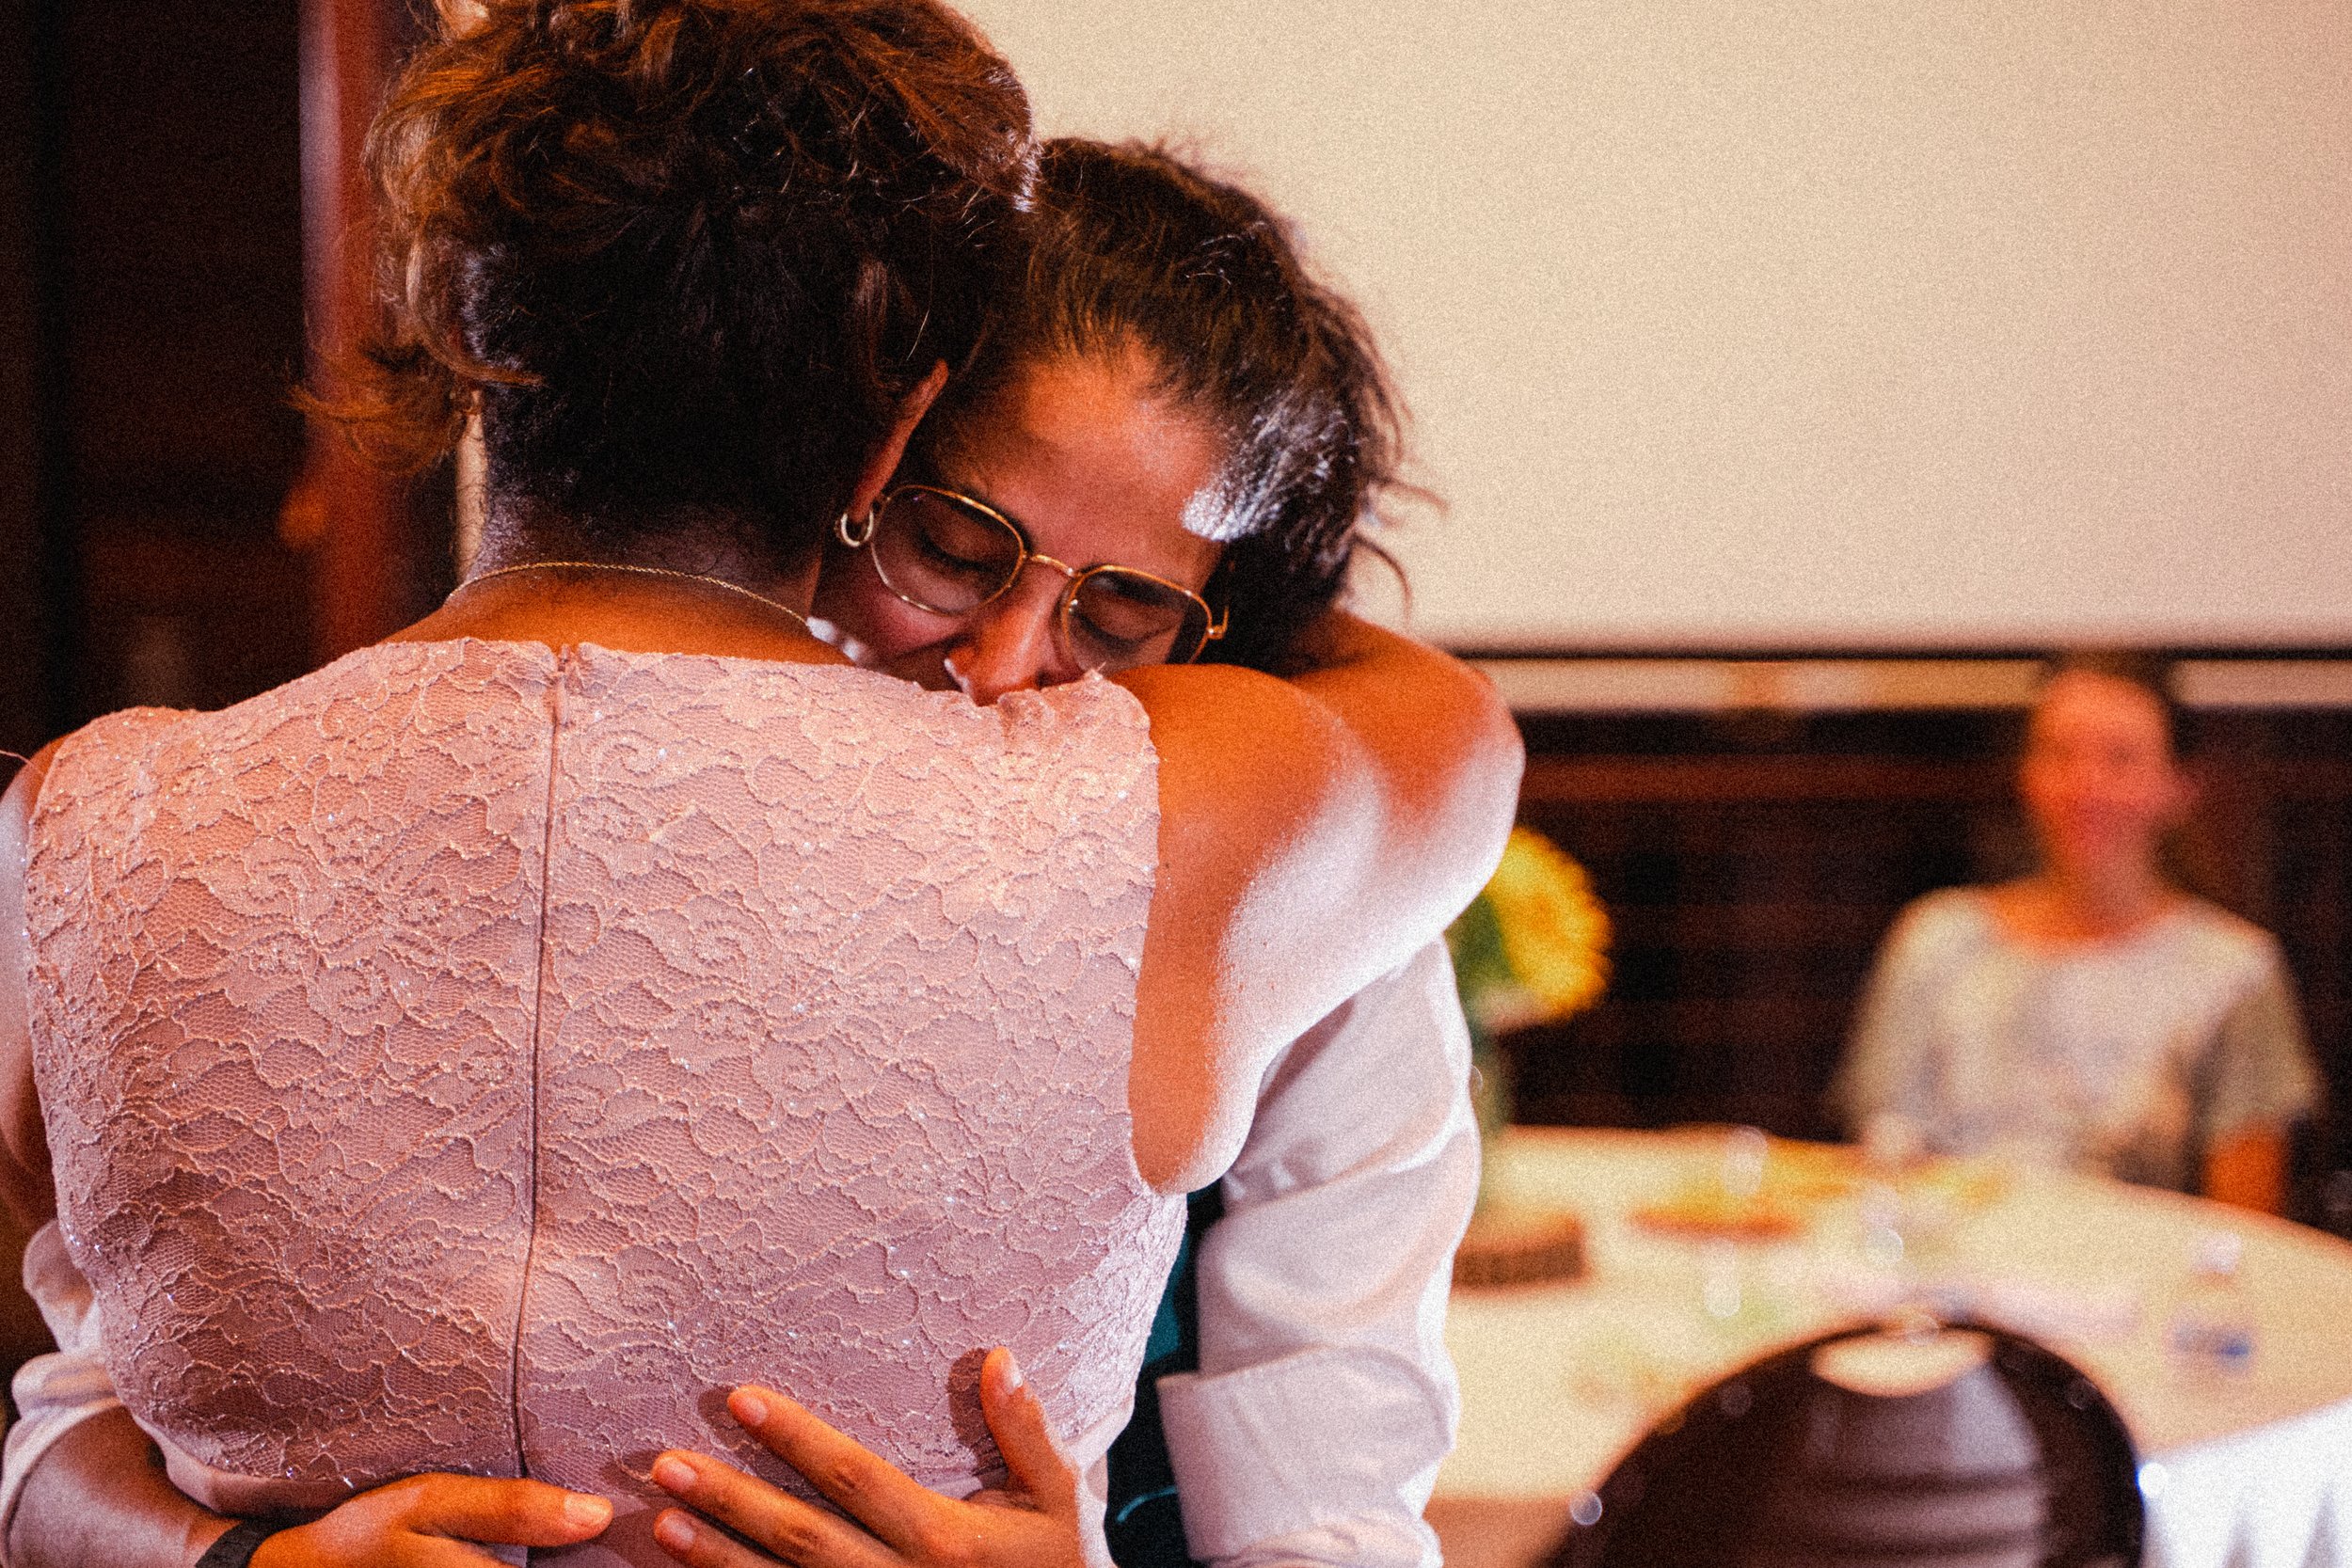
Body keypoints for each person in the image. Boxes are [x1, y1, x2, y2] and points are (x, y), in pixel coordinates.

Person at [0, 7, 1521, 1568]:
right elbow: (81, 1414)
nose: (1006, 666)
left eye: (1122, 611)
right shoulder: (283, 831)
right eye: (956, 541)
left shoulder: (1280, 890)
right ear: (876, 458)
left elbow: (1331, 1521)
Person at [1835, 654, 2319, 1212]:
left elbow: (2243, 1225)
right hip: (1946, 1277)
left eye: (2120, 760)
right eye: (2061, 754)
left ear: (2179, 786)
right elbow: (1877, 1164)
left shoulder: (2233, 970)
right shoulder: (1937, 940)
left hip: (2137, 1286)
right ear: (2027, 773)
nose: (2086, 788)